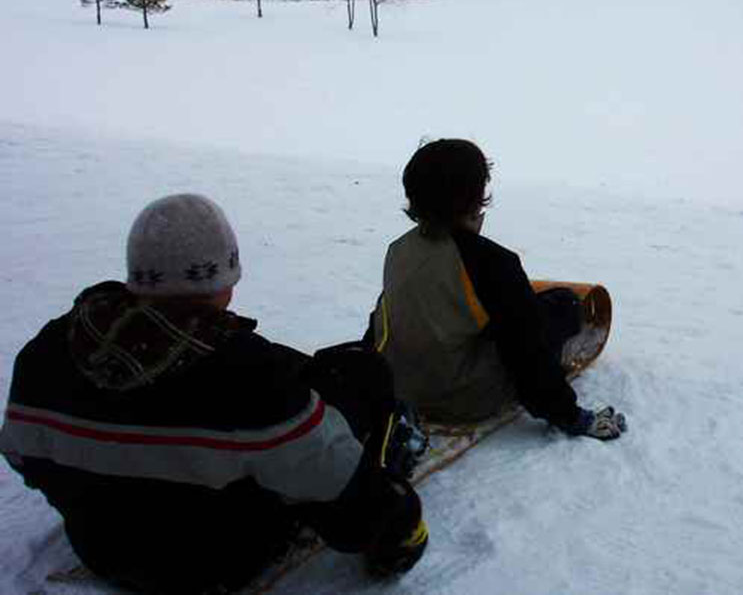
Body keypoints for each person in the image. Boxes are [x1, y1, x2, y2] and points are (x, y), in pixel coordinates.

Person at [0, 194, 427, 594]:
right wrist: (399, 520)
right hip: (214, 561)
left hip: (102, 551)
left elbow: (23, 456)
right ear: (222, 279)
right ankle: (386, 440)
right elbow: (337, 487)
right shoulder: (246, 376)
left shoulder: (48, 349)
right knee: (359, 374)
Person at [363, 139, 626, 440]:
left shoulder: (398, 250)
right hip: (463, 400)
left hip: (402, 387)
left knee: (506, 308)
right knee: (562, 305)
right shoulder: (493, 262)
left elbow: (384, 320)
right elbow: (527, 351)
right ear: (474, 197)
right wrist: (570, 415)